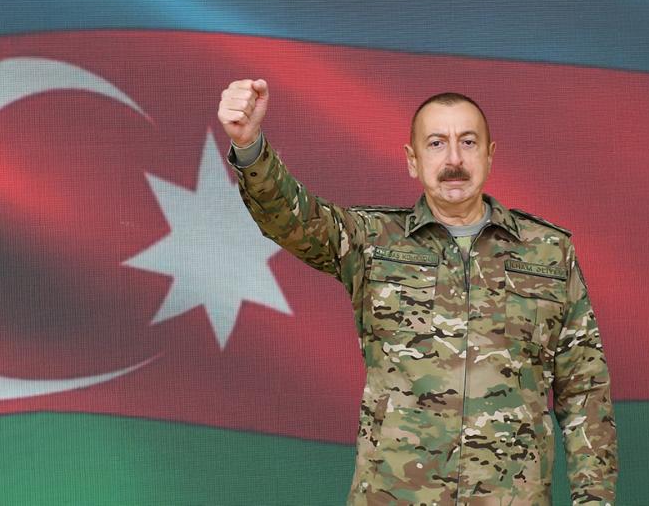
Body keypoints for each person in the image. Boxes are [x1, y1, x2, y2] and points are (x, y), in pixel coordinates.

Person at [218, 78, 617, 506]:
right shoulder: (373, 241)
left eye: (468, 142)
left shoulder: (548, 252)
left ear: (489, 155)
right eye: (436, 143)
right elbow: (292, 218)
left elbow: (585, 392)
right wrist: (249, 145)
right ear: (413, 160)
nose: (454, 159)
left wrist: (594, 500)